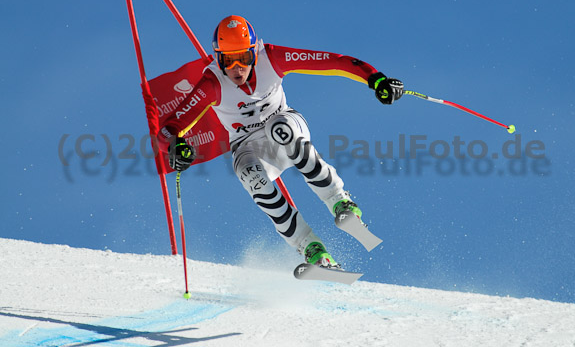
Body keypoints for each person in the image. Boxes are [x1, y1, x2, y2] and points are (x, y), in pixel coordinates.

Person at [157, 15, 403, 269]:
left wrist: (375, 78)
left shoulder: (271, 59)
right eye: (228, 61)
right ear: (218, 59)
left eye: (244, 58)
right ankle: (311, 248)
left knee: (280, 128)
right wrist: (175, 145)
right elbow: (167, 130)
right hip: (249, 144)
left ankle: (339, 200)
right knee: (250, 175)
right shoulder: (212, 83)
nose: (237, 68)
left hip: (285, 124)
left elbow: (333, 62)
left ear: (255, 52)